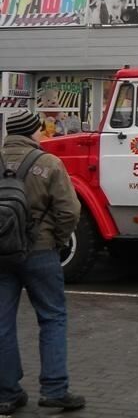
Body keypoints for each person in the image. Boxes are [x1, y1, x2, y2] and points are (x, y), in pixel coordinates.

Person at [0, 110, 86, 413]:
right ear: (32, 131)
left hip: (2, 254)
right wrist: (58, 241)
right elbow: (69, 211)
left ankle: (7, 394)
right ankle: (54, 390)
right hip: (41, 252)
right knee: (52, 317)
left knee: (2, 323)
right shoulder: (48, 163)